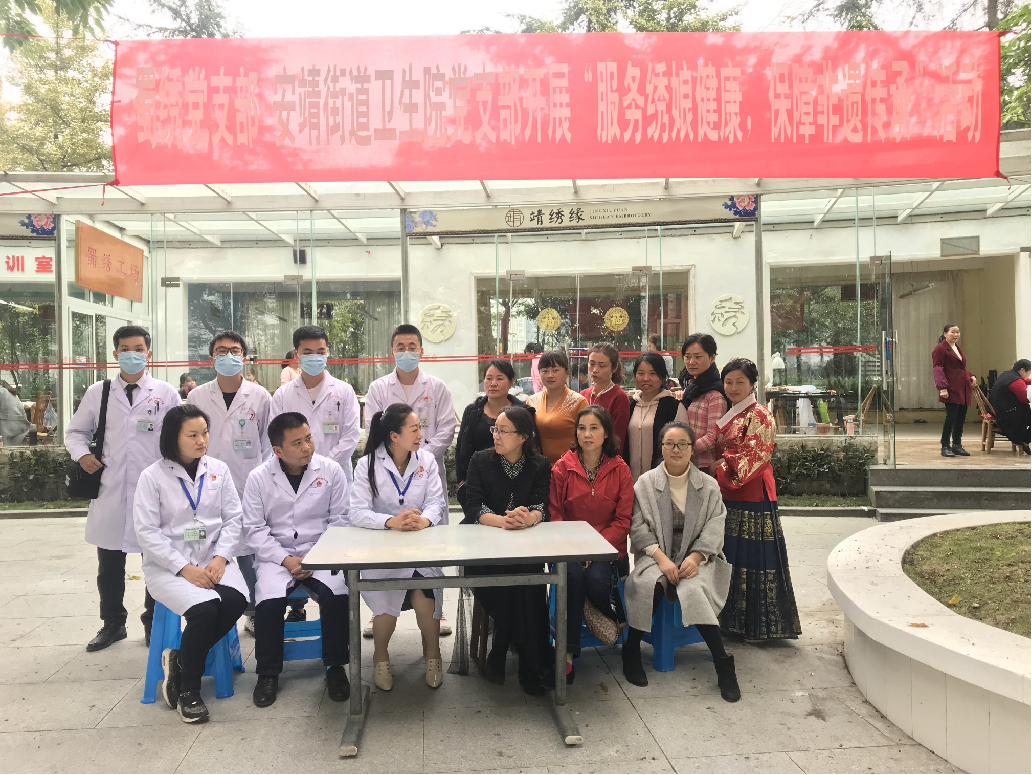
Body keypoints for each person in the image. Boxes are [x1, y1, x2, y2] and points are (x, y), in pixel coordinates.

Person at [65, 325, 180, 652]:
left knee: (156, 561)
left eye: (139, 348)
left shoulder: (165, 393)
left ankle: (153, 622)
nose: (133, 354)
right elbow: (75, 433)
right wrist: (83, 455)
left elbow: (178, 438)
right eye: (126, 349)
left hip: (154, 491)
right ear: (115, 354)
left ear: (149, 353)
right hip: (111, 489)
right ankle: (113, 623)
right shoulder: (98, 392)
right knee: (110, 565)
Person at [133, 404, 249, 723]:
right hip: (169, 567)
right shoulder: (152, 477)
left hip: (213, 559)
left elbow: (234, 518)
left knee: (236, 600)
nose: (202, 441)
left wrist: (221, 558)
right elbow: (147, 532)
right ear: (174, 438)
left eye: (205, 433)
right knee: (205, 610)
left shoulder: (218, 470)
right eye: (193, 435)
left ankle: (181, 660)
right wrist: (184, 568)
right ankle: (189, 690)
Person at [620, 421, 740, 701]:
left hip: (699, 557)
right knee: (652, 585)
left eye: (682, 444)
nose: (676, 450)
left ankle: (723, 663)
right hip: (655, 555)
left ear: (692, 449)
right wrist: (661, 559)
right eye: (669, 444)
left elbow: (716, 525)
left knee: (693, 589)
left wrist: (696, 557)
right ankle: (631, 651)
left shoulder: (708, 486)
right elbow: (637, 526)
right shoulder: (645, 483)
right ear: (661, 447)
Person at [241, 412, 352, 707]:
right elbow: (254, 529)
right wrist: (286, 560)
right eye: (297, 443)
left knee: (337, 595)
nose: (307, 447)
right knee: (269, 602)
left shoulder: (331, 471)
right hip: (276, 558)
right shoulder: (258, 478)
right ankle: (267, 673)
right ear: (278, 450)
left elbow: (340, 521)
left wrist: (314, 558)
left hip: (322, 552)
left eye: (308, 438)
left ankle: (336, 667)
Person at [186, 331, 280, 633]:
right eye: (221, 351)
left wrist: (263, 479)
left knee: (251, 549)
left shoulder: (260, 396)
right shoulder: (197, 396)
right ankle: (210, 607)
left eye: (235, 351)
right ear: (211, 357)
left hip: (248, 482)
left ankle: (255, 611)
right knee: (210, 546)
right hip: (207, 484)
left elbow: (269, 442)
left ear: (244, 356)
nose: (229, 356)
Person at [351, 403, 448, 691]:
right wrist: (390, 521)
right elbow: (357, 512)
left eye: (420, 428)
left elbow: (437, 502)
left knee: (424, 597)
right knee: (385, 609)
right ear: (394, 435)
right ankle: (381, 657)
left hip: (420, 545)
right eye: (414, 429)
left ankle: (433, 655)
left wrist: (424, 520)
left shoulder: (426, 460)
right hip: (383, 549)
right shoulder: (367, 465)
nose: (421, 435)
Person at [460, 405, 553, 695]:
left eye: (503, 431)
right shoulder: (480, 460)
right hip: (482, 549)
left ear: (523, 437)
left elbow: (541, 504)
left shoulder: (539, 465)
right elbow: (473, 506)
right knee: (516, 585)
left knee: (528, 578)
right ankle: (528, 662)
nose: (496, 436)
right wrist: (505, 521)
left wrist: (529, 518)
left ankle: (503, 652)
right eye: (495, 429)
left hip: (522, 545)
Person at [716, 358, 801, 641]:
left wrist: (717, 467)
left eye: (740, 382)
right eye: (728, 382)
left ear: (752, 384)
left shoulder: (760, 414)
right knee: (733, 556)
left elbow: (752, 458)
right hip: (729, 493)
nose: (733, 387)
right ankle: (732, 622)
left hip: (752, 494)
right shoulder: (734, 413)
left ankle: (757, 626)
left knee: (753, 559)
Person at [549, 406, 633, 683]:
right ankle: (567, 657)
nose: (587, 434)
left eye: (594, 428)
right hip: (568, 547)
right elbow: (555, 515)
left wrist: (594, 549)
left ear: (606, 433)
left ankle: (600, 611)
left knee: (596, 580)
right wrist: (577, 549)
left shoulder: (620, 470)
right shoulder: (562, 468)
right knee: (571, 578)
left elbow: (623, 520)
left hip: (606, 548)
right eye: (582, 428)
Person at [363, 324, 456, 517]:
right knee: (391, 524)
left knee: (431, 522)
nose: (407, 352)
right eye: (401, 347)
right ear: (392, 352)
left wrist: (421, 457)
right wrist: (398, 456)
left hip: (428, 468)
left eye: (412, 347)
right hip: (389, 469)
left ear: (421, 351)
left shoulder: (437, 387)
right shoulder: (378, 388)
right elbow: (373, 428)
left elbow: (447, 429)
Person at [270, 325, 361, 480]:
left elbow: (351, 436)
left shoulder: (344, 391)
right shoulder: (282, 395)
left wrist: (323, 466)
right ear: (296, 354)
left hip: (335, 476)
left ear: (327, 352)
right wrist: (301, 466)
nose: (315, 357)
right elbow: (276, 438)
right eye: (307, 353)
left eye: (320, 352)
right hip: (295, 476)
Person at [455, 359, 523, 508]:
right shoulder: (472, 411)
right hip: (476, 484)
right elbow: (461, 447)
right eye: (489, 378)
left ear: (511, 382)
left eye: (499, 379)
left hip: (514, 484)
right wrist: (461, 481)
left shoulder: (522, 412)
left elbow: (532, 447)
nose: (493, 383)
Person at [624, 352, 687, 482]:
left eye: (652, 373)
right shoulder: (631, 405)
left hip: (663, 480)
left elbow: (683, 444)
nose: (646, 378)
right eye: (641, 373)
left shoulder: (673, 407)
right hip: (631, 481)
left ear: (663, 376)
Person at [678, 333, 730, 475]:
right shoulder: (692, 387)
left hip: (705, 466)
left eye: (698, 356)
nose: (691, 362)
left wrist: (684, 449)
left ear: (712, 357)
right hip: (687, 463)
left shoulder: (715, 393)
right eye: (687, 356)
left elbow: (713, 436)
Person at [525, 349, 588, 465]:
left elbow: (587, 439)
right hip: (537, 468)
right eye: (545, 371)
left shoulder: (579, 402)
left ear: (567, 373)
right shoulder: (531, 401)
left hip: (569, 468)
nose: (550, 375)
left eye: (555, 370)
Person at [932, 324, 978, 458]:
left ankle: (957, 445)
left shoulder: (956, 348)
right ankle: (945, 445)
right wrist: (942, 387)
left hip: (963, 387)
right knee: (951, 416)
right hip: (951, 388)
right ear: (945, 333)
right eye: (953, 332)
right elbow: (938, 368)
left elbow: (960, 368)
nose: (956, 334)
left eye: (958, 332)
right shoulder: (940, 349)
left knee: (961, 417)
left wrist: (971, 375)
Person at [581, 342, 631, 451]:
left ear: (614, 368)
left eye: (602, 365)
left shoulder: (619, 397)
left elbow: (617, 440)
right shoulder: (583, 395)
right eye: (592, 364)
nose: (595, 370)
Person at [989, 358, 1031, 453]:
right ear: (1022, 370)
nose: (1029, 375)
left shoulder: (1007, 374)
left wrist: (1028, 381)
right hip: (1007, 414)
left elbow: (1025, 381)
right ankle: (1025, 440)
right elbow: (1024, 399)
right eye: (1029, 372)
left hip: (998, 409)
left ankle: (1025, 441)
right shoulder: (1016, 381)